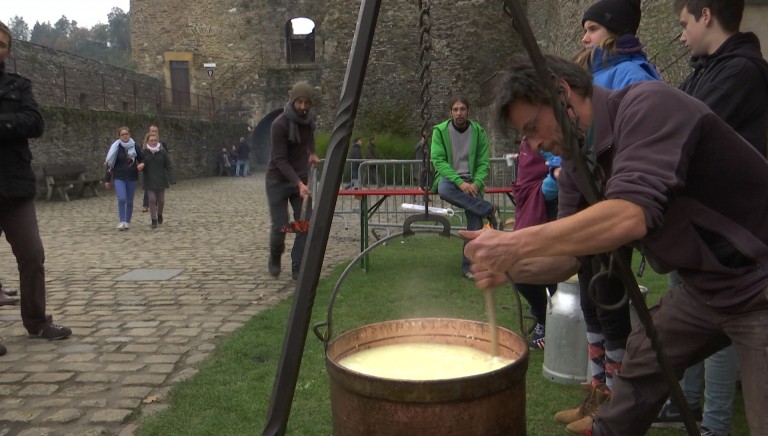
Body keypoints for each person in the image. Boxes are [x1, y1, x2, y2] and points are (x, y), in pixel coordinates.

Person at [462, 52, 768, 436]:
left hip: (759, 281)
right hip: (707, 289)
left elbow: (630, 213)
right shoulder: (577, 163)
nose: (536, 145)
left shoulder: (649, 105)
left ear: (562, 91)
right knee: (642, 362)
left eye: (533, 127)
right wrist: (506, 266)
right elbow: (569, 257)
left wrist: (516, 243)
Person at [652, 1, 768, 434]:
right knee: (690, 323)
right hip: (695, 224)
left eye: (684, 24)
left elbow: (686, 131)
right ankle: (688, 402)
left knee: (721, 330)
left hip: (727, 232)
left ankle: (715, 425)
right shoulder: (708, 68)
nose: (681, 35)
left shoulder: (741, 72)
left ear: (705, 16)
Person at [554, 1, 662, 433]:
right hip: (584, 201)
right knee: (591, 305)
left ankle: (614, 406)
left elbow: (633, 141)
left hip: (608, 207)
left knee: (611, 306)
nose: (584, 38)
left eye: (593, 28)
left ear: (615, 30)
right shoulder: (595, 71)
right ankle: (597, 391)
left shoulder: (631, 75)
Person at [0, 21, 72, 357]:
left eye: (1, 44)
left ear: (8, 50)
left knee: (32, 255)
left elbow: (36, 123)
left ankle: (37, 320)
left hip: (15, 186)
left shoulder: (19, 85)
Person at [431, 95, 500, 281]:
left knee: (475, 224)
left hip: (471, 179)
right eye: (455, 109)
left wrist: (476, 183)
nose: (459, 113)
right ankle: (488, 208)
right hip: (450, 178)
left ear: (468, 111)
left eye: (462, 109)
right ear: (450, 112)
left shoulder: (478, 132)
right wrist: (459, 182)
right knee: (444, 190)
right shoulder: (440, 131)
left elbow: (483, 162)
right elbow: (438, 160)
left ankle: (468, 267)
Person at [266, 81, 320, 280]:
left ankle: (298, 265)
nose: (303, 107)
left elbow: (310, 136)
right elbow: (280, 159)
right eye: (300, 102)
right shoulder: (279, 124)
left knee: (304, 224)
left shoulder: (309, 120)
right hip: (278, 181)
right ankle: (274, 256)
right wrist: (298, 183)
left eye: (307, 103)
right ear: (293, 101)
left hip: (300, 181)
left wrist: (312, 152)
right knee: (281, 225)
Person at [509, 137, 560, 349]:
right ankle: (543, 317)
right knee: (519, 268)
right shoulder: (527, 137)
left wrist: (548, 186)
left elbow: (561, 161)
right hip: (529, 206)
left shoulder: (548, 132)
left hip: (550, 209)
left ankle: (558, 323)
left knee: (554, 266)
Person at [104, 126, 145, 230]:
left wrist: (142, 164)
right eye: (123, 134)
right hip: (119, 176)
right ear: (119, 136)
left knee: (130, 201)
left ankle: (127, 221)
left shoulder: (135, 146)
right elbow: (110, 163)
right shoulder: (116, 148)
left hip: (132, 176)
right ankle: (121, 221)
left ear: (129, 134)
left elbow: (142, 158)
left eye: (126, 134)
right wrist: (107, 179)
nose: (125, 136)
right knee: (122, 198)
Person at [142, 132, 175, 229]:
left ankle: (159, 214)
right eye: (151, 140)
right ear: (147, 141)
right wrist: (140, 166)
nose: (153, 142)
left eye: (155, 140)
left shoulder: (162, 152)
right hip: (149, 179)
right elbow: (140, 163)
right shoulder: (144, 152)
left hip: (161, 179)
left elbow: (168, 166)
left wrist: (172, 178)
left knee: (161, 201)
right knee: (152, 200)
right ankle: (153, 220)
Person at [141, 125, 169, 212]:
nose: (154, 133)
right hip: (149, 170)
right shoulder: (144, 145)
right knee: (148, 188)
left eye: (156, 131)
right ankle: (146, 204)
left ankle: (156, 204)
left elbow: (165, 157)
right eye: (152, 131)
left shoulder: (162, 144)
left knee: (158, 189)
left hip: (158, 170)